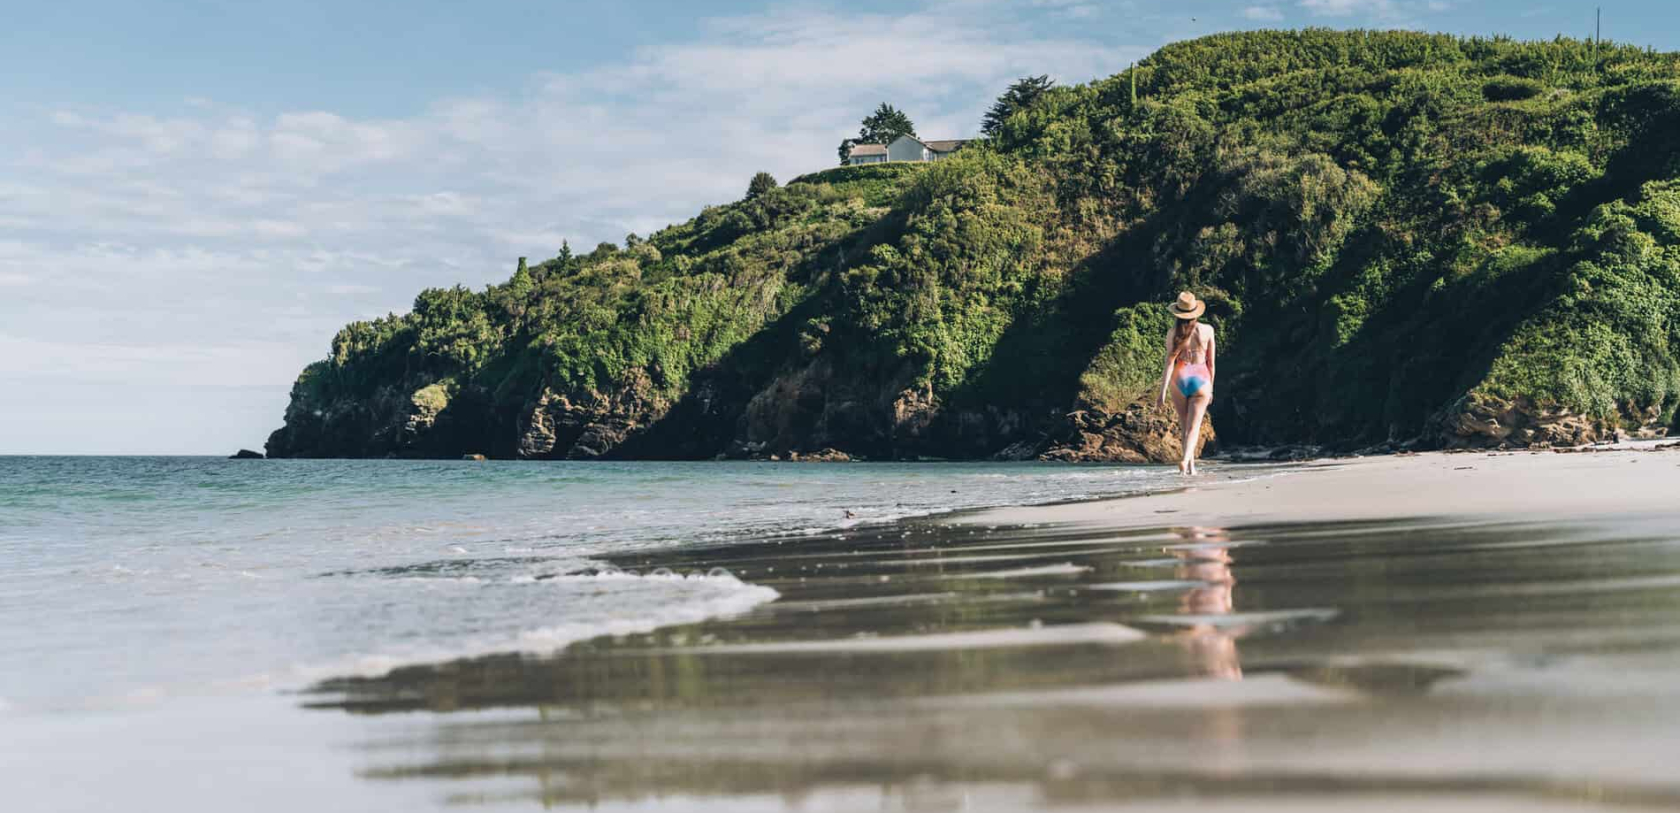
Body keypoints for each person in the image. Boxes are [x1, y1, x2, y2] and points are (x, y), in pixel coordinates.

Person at [1156, 291, 1215, 475]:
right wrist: (1211, 388)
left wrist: (1162, 392)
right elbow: (1211, 364)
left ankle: (1189, 468)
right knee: (1193, 427)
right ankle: (1185, 460)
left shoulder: (1172, 333)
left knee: (1184, 427)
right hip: (1201, 377)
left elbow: (1169, 363)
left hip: (1179, 377)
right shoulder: (1207, 330)